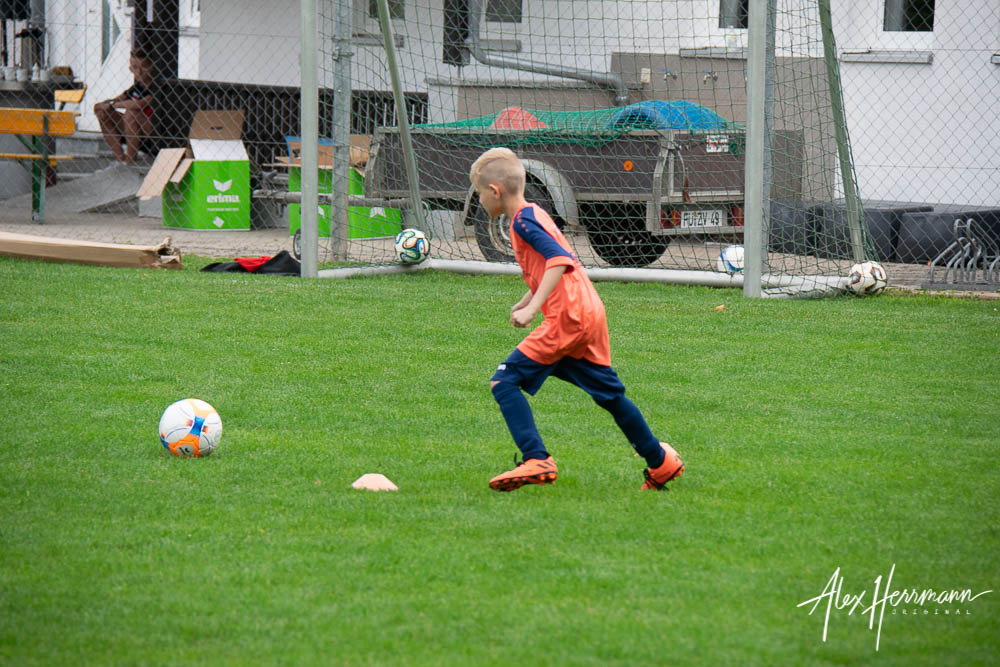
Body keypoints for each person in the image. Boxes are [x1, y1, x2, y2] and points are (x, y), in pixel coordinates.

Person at [469, 147, 685, 492]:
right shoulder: (535, 212)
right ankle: (660, 461)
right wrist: (526, 299)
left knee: (504, 382)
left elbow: (558, 260)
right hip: (587, 311)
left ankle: (536, 458)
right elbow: (555, 262)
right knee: (610, 396)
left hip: (567, 319)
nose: (479, 200)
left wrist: (532, 308)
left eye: (479, 193)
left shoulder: (522, 221)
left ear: (494, 191)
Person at [93, 50, 155, 164]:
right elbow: (117, 99)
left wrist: (112, 105)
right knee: (103, 113)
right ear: (130, 69)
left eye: (144, 67)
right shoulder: (136, 86)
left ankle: (129, 161)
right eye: (135, 68)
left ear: (151, 67)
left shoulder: (155, 86)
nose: (139, 72)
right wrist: (102, 106)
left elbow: (138, 104)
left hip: (152, 130)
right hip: (133, 128)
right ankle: (120, 160)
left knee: (131, 112)